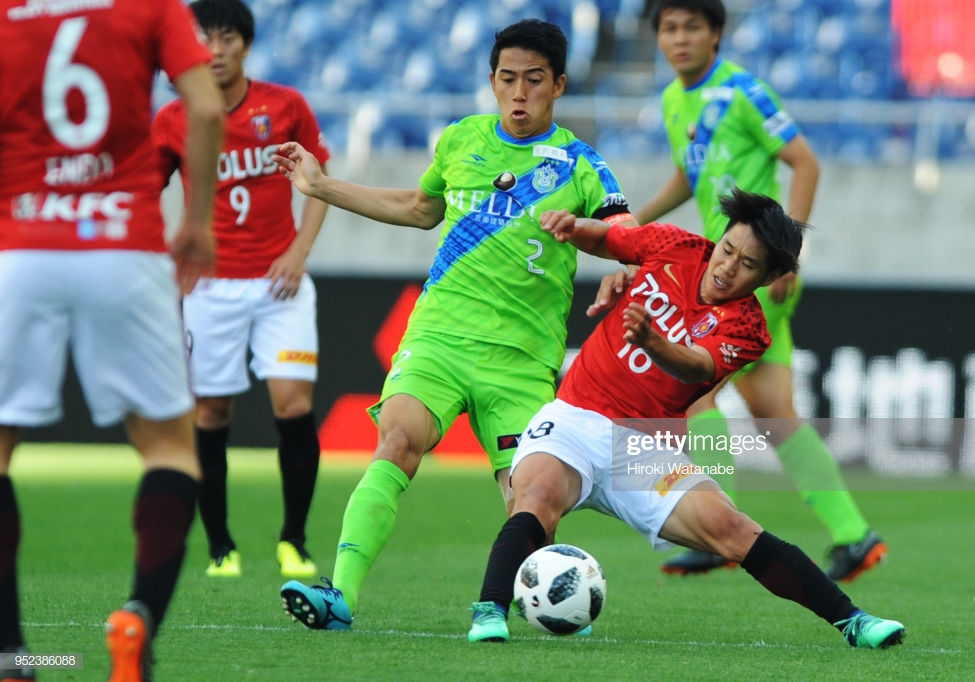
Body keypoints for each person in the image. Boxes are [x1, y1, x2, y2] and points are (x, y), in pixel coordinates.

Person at [273, 19, 637, 632]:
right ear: (492, 82)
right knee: (396, 443)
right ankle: (340, 596)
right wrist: (320, 186)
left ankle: (498, 606)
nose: (519, 93)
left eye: (534, 80)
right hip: (438, 337)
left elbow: (626, 231)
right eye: (507, 79)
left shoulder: (579, 163)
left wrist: (622, 263)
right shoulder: (461, 139)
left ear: (560, 86)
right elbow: (419, 209)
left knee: (530, 497)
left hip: (521, 360)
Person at [468, 190, 905, 649]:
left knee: (735, 531)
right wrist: (574, 228)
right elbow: (611, 240)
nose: (727, 267)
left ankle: (854, 621)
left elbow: (697, 366)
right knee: (535, 497)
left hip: (643, 450)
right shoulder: (676, 245)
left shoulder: (749, 327)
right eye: (727, 249)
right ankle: (490, 609)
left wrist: (653, 342)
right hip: (577, 416)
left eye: (747, 264)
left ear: (771, 276)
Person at [625, 0, 886, 580]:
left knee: (696, 397)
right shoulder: (673, 101)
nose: (680, 38)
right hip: (728, 273)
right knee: (775, 414)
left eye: (693, 26)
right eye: (669, 28)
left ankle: (719, 527)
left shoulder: (744, 91)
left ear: (716, 34)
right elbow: (688, 176)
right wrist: (634, 221)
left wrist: (788, 256)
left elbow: (805, 163)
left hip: (746, 276)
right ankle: (853, 533)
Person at [0, 1, 223, 680]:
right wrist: (197, 222)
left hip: (20, 248)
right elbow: (207, 111)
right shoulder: (150, 5)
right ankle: (138, 617)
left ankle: (11, 655)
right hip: (125, 247)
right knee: (168, 449)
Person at [152, 0, 330, 580]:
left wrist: (299, 252)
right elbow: (145, 192)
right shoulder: (176, 118)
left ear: (245, 44)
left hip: (280, 282)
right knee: (211, 410)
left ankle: (294, 541)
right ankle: (220, 546)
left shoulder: (285, 106)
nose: (215, 49)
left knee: (294, 404)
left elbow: (318, 180)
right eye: (204, 37)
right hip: (210, 289)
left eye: (226, 37)